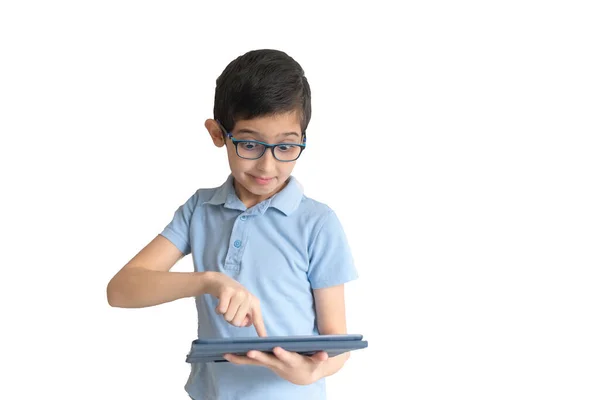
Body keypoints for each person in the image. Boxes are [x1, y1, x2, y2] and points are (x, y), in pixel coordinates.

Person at [106, 49, 359, 400]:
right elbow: (121, 290)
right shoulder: (200, 210)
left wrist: (313, 370)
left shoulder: (318, 223)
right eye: (250, 144)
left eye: (286, 147)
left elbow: (338, 344)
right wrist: (209, 281)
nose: (268, 166)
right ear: (217, 134)